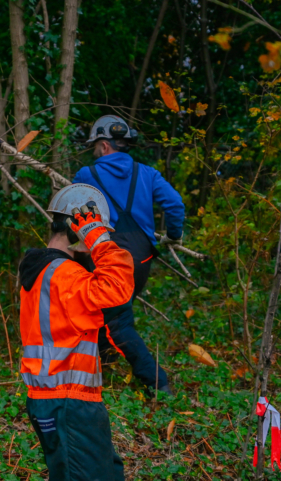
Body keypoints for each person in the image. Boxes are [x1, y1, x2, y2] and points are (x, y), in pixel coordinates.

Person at [19, 183, 134, 481]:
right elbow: (118, 285)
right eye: (86, 233)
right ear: (77, 227)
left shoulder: (47, 272)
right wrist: (99, 237)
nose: (90, 244)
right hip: (68, 403)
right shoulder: (63, 275)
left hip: (61, 401)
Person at [72, 115, 185, 394]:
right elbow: (175, 204)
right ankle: (103, 363)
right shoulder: (147, 173)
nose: (94, 152)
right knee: (104, 312)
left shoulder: (87, 175)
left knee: (117, 324)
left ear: (105, 145)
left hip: (108, 258)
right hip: (142, 259)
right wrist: (173, 235)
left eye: (96, 146)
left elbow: (71, 213)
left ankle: (157, 383)